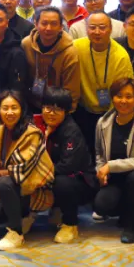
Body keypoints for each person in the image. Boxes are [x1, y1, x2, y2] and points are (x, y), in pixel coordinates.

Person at [0, 90, 53, 251]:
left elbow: (24, 169)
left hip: (32, 188)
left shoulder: (32, 133)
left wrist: (0, 173)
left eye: (14, 107)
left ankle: (16, 232)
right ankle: (23, 217)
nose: (9, 112)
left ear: (22, 109)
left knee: (4, 182)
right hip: (11, 187)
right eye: (5, 108)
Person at [93, 77, 134, 244]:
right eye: (119, 96)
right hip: (116, 178)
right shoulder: (103, 123)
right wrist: (101, 170)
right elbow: (99, 153)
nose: (123, 101)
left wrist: (110, 166)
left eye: (129, 96)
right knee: (101, 204)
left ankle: (133, 227)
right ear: (112, 98)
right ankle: (128, 213)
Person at [33, 87, 95, 244]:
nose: (51, 113)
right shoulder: (36, 125)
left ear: (66, 112)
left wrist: (40, 174)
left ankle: (70, 224)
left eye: (58, 109)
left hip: (80, 182)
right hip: (48, 174)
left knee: (61, 182)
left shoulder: (71, 131)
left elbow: (68, 166)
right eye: (48, 108)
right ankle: (28, 217)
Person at [72, 12, 134, 150]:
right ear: (86, 29)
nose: (97, 32)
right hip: (83, 109)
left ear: (110, 29)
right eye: (92, 27)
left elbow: (124, 90)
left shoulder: (120, 56)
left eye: (102, 27)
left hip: (111, 112)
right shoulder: (76, 47)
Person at [20, 6, 80, 111]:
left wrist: (67, 112)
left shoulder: (69, 52)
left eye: (54, 24)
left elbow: (72, 89)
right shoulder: (26, 44)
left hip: (57, 107)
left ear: (61, 26)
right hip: (30, 102)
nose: (48, 28)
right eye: (44, 23)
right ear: (36, 24)